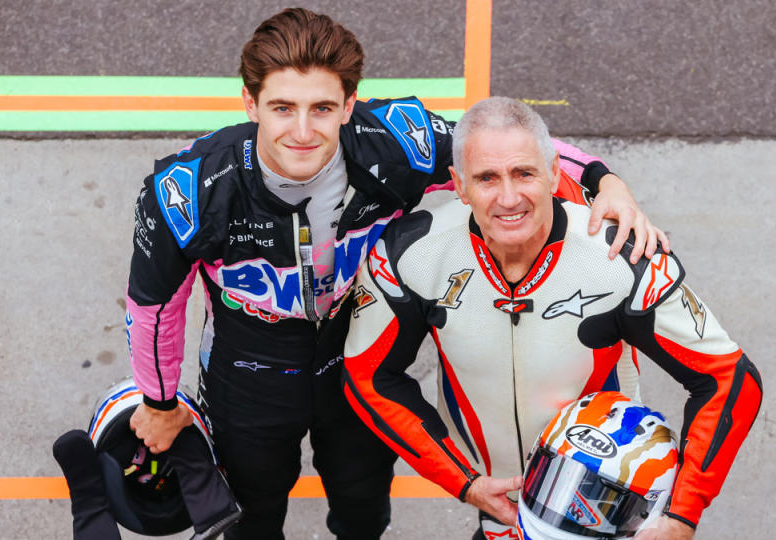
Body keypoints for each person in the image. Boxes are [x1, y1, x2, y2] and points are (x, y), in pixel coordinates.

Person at [125, 8, 666, 539]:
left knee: (362, 508)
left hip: (358, 358)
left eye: (322, 108)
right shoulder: (190, 190)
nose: (303, 131)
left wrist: (605, 179)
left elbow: (509, 152)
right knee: (252, 515)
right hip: (247, 373)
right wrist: (160, 403)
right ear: (251, 103)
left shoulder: (393, 139)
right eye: (283, 108)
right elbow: (154, 309)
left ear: (349, 104)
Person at [343, 96, 763, 539]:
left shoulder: (622, 257)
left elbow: (729, 379)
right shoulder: (411, 253)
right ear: (459, 186)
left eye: (524, 173)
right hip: (499, 513)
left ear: (554, 172)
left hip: (605, 518)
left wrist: (681, 516)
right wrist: (462, 482)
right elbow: (368, 375)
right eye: (486, 178)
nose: (509, 197)